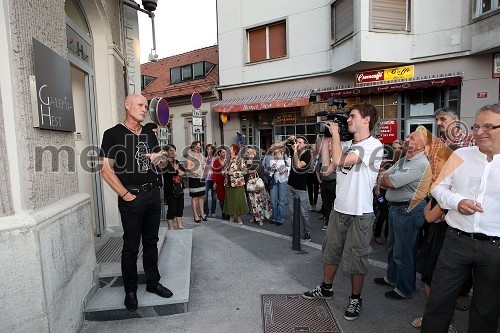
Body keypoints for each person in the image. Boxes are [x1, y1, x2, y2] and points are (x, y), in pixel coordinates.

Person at [421, 103, 500, 333]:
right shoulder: (460, 155)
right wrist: (457, 202)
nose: (478, 132)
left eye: (488, 126)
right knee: (438, 302)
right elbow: (437, 187)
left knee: (486, 312)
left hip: (495, 248)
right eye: (476, 126)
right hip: (456, 242)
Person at [302, 103, 383, 321]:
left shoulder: (374, 145)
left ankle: (355, 298)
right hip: (339, 209)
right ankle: (326, 288)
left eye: (352, 116)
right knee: (331, 252)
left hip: (360, 212)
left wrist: (336, 136)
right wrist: (328, 140)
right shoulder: (345, 143)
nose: (347, 120)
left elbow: (340, 161)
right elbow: (328, 167)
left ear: (366, 120)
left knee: (356, 258)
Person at [100, 94, 173, 311]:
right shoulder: (112, 134)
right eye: (140, 105)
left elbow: (162, 165)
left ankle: (153, 282)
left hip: (152, 195)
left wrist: (158, 158)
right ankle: (130, 291)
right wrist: (124, 194)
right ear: (127, 105)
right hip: (131, 198)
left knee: (151, 242)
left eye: (145, 106)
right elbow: (105, 169)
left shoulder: (150, 134)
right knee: (131, 246)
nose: (144, 109)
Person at [374, 129, 431, 300]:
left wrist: (384, 178)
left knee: (404, 251)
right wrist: (385, 177)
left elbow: (388, 181)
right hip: (397, 209)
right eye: (408, 136)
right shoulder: (406, 159)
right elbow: (385, 176)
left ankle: (405, 289)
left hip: (408, 211)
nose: (407, 139)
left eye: (412, 138)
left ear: (421, 146)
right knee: (393, 247)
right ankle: (392, 278)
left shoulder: (419, 163)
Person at [411, 146, 458, 333]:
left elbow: (430, 216)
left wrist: (433, 211)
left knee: (444, 282)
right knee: (429, 278)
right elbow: (428, 211)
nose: (434, 163)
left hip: (447, 238)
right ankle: (432, 316)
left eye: (438, 161)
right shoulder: (440, 183)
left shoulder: (453, 187)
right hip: (434, 235)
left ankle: (448, 323)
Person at [273, 135, 312, 240]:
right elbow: (275, 147)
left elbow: (299, 165)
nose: (297, 144)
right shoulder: (293, 149)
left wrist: (294, 152)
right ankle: (295, 231)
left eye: (300, 142)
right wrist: (287, 140)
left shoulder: (307, 154)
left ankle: (307, 232)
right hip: (291, 185)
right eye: (296, 142)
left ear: (305, 145)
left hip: (301, 187)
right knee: (292, 212)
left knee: (303, 212)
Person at [373, 139, 405, 245]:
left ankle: (387, 234)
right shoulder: (387, 163)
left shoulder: (402, 164)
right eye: (395, 148)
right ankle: (377, 234)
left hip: (392, 193)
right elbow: (380, 177)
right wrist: (377, 190)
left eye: (399, 148)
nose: (397, 150)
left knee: (389, 214)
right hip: (382, 193)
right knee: (383, 213)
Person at [244, 147, 272, 226]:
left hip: (258, 184)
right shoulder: (247, 161)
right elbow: (244, 171)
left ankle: (260, 219)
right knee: (252, 201)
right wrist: (247, 166)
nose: (248, 154)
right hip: (250, 184)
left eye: (249, 152)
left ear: (253, 153)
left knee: (259, 202)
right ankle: (254, 216)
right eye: (247, 152)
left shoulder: (257, 160)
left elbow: (259, 170)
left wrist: (250, 168)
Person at [223, 144, 248, 224]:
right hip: (228, 183)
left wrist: (233, 173)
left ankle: (239, 218)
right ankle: (231, 217)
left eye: (230, 148)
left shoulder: (240, 160)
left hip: (237, 183)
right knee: (230, 200)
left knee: (238, 200)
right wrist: (225, 172)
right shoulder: (227, 160)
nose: (229, 149)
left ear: (235, 150)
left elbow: (244, 171)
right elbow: (222, 170)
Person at [162, 144, 185, 230]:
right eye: (171, 150)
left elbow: (183, 171)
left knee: (180, 207)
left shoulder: (177, 161)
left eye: (174, 150)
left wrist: (178, 171)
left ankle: (180, 225)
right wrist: (176, 171)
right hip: (170, 189)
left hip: (179, 187)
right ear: (167, 152)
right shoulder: (164, 162)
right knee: (172, 208)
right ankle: (170, 227)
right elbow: (169, 173)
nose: (173, 152)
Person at [266, 146, 290, 226]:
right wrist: (271, 169)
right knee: (273, 200)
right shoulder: (271, 158)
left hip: (283, 180)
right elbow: (268, 170)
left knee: (282, 200)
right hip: (274, 180)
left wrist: (286, 170)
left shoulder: (285, 157)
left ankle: (280, 219)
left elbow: (291, 167)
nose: (276, 152)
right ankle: (274, 217)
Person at [184, 140, 207, 223]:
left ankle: (202, 213)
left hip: (201, 177)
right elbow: (187, 167)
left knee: (201, 196)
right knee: (195, 197)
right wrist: (194, 172)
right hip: (194, 178)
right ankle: (195, 215)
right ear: (193, 146)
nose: (199, 147)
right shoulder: (190, 155)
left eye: (200, 145)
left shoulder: (201, 155)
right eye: (197, 145)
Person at [213, 146, 229, 220]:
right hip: (219, 182)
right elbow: (215, 173)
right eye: (223, 152)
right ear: (219, 153)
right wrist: (215, 182)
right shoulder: (216, 162)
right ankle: (223, 212)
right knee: (221, 198)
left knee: (227, 197)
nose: (224, 153)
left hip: (227, 181)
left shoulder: (228, 161)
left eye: (225, 152)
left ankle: (228, 212)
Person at [203, 144, 217, 218]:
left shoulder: (215, 158)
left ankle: (213, 211)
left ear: (213, 150)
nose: (209, 151)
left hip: (213, 178)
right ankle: (206, 211)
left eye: (210, 149)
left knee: (214, 196)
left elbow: (216, 168)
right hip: (206, 178)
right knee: (205, 196)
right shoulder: (204, 158)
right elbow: (203, 167)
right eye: (207, 149)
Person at [307, 144, 320, 212]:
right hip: (309, 173)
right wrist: (311, 156)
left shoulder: (318, 156)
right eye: (312, 148)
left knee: (316, 189)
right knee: (310, 189)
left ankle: (314, 204)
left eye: (314, 148)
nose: (313, 149)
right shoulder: (309, 156)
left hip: (316, 173)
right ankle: (311, 204)